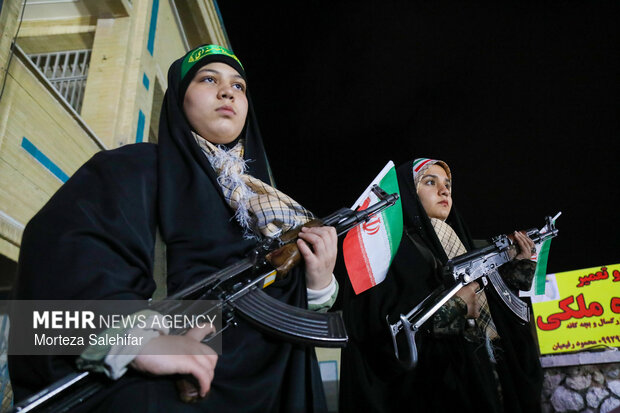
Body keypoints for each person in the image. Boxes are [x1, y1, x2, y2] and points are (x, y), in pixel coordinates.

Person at [9, 44, 338, 412]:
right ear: (180, 98)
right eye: (208, 79)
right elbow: (53, 268)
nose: (227, 92)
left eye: (238, 86)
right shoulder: (134, 170)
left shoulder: (266, 208)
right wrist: (134, 340)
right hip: (169, 394)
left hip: (273, 394)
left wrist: (316, 284)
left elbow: (277, 323)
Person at [339, 158, 543, 413]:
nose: (444, 190)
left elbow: (498, 322)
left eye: (447, 184)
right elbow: (380, 335)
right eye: (429, 182)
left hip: (484, 381)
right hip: (433, 393)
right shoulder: (389, 252)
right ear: (407, 192)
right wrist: (456, 307)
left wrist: (516, 272)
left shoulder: (462, 246)